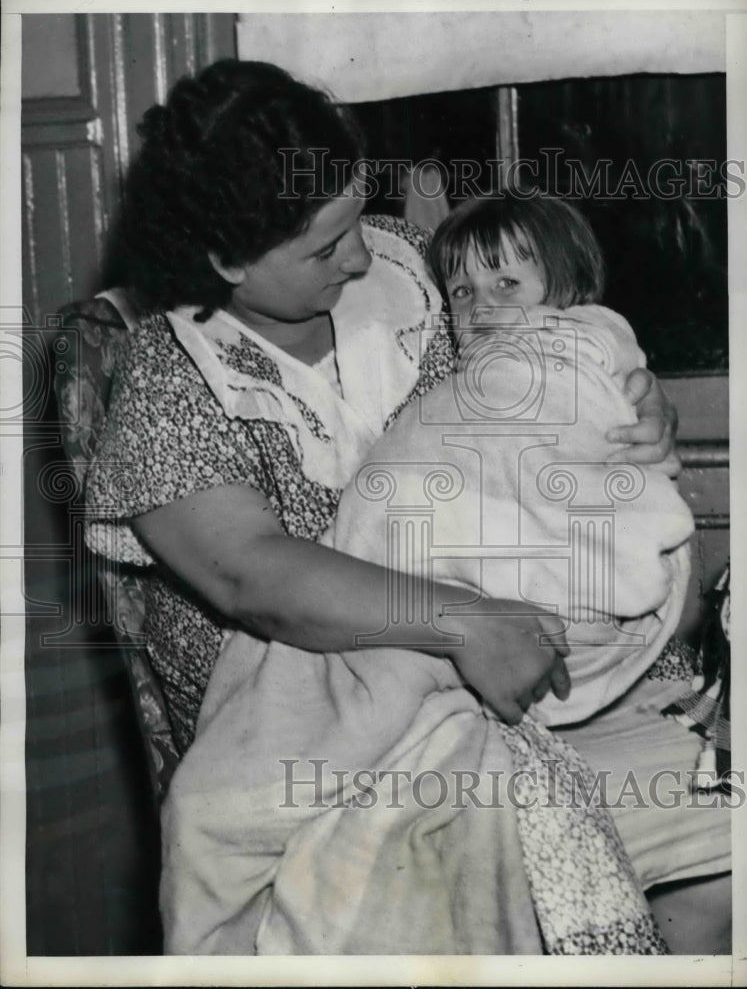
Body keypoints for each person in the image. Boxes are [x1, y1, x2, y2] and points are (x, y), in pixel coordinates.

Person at [82, 59, 727, 955]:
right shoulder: (166, 386)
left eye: (357, 215)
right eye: (324, 246)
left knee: (723, 795)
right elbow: (251, 575)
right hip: (332, 729)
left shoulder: (398, 271)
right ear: (227, 260)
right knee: (453, 859)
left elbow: (531, 382)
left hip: (535, 664)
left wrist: (627, 395)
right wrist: (467, 623)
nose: (361, 252)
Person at [333, 192, 695, 727]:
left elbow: (596, 390)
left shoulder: (581, 337)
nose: (480, 307)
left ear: (564, 285)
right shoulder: (460, 375)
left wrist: (645, 397)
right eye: (461, 292)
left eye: (506, 284)